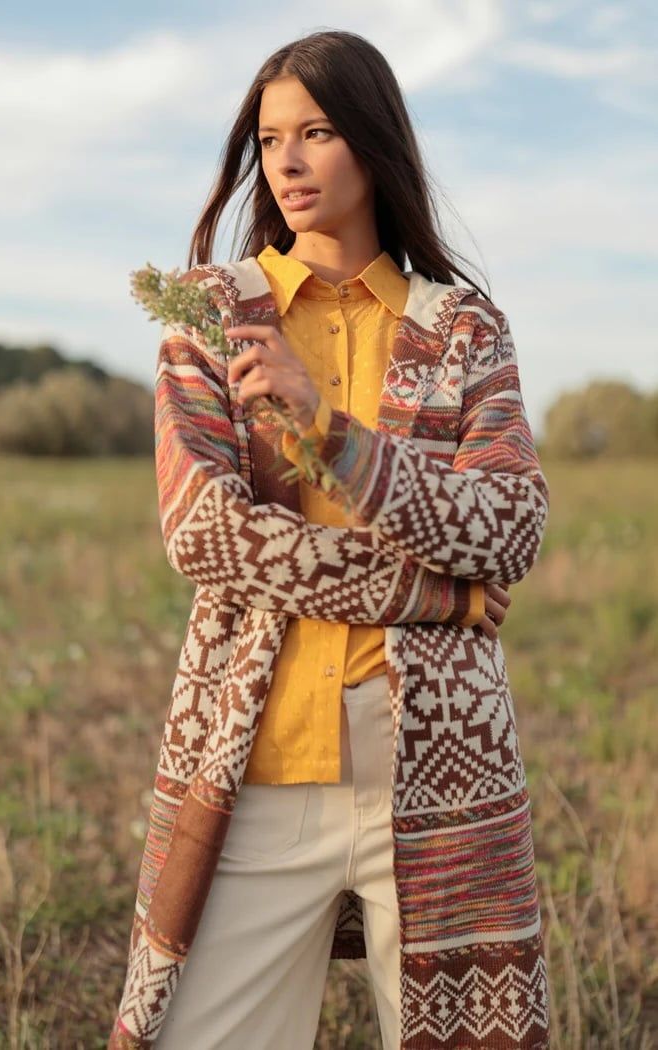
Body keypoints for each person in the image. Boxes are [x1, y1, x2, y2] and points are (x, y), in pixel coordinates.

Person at [109, 29, 551, 1050]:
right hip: (255, 755)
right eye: (269, 140)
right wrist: (439, 592)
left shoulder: (466, 328)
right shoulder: (212, 316)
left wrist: (328, 432)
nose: (288, 162)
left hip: (443, 765)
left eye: (315, 132)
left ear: (373, 139)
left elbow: (511, 524)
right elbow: (208, 534)